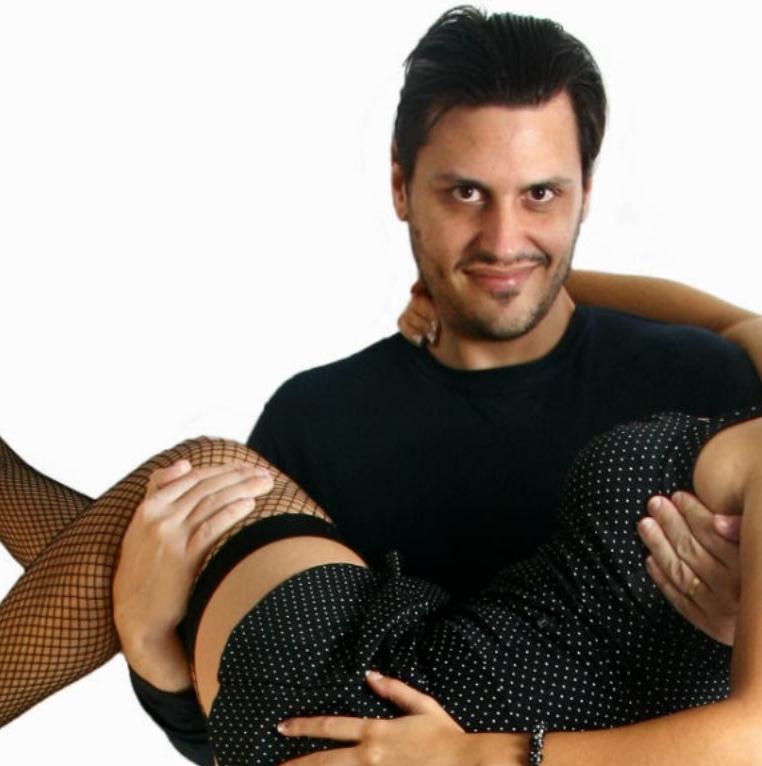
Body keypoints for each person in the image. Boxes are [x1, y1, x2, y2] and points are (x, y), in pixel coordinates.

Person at [112, 7, 762, 763]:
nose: (504, 240)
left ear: (586, 189)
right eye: (466, 194)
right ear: (401, 185)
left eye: (541, 195)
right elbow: (259, 730)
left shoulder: (704, 382)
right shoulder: (319, 422)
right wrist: (150, 645)